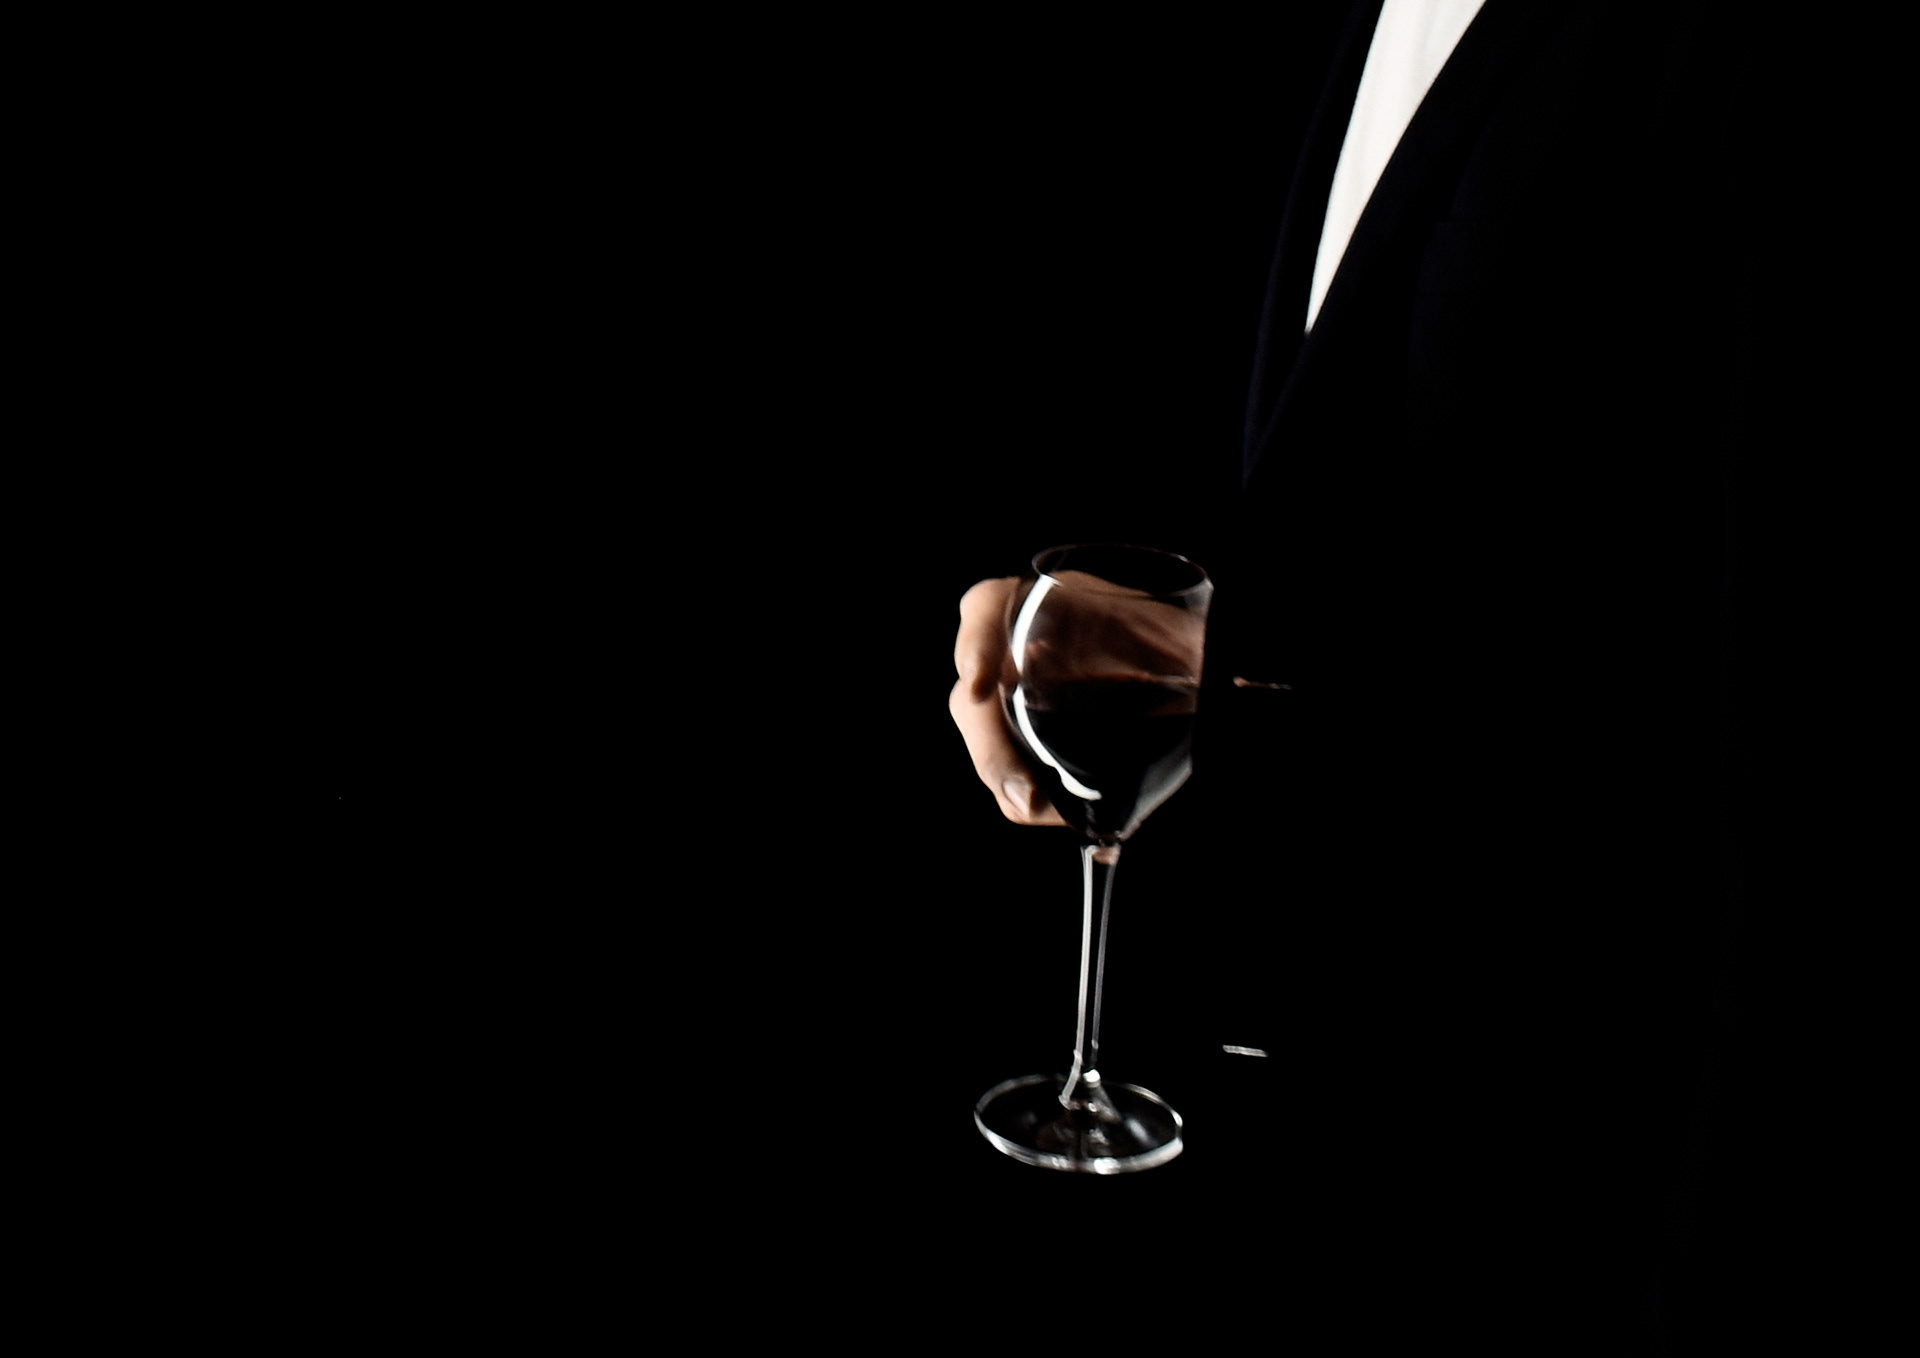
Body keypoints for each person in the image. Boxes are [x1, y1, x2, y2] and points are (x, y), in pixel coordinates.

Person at [950, 1, 1845, 1346]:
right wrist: (1162, 639)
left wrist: (1228, 676)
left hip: (1565, 1207)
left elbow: (1730, 712)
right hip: (1323, 1166)